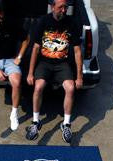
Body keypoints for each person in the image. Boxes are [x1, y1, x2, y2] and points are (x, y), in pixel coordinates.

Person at [26, 0, 83, 143]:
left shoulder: (72, 23)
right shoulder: (43, 22)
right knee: (38, 87)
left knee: (70, 88)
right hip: (44, 63)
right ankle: (35, 122)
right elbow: (36, 48)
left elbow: (77, 51)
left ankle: (66, 124)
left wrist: (79, 77)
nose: (64, 10)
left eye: (66, 7)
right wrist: (30, 73)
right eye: (60, 7)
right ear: (53, 7)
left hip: (63, 64)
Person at [0, 1, 30, 130]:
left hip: (10, 60)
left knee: (17, 82)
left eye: (0, 18)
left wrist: (19, 57)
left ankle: (14, 114)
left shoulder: (11, 24)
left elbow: (26, 39)